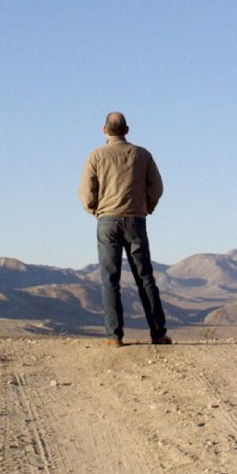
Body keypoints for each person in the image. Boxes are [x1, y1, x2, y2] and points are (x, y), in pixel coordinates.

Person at [78, 111, 171, 346]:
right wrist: (146, 207)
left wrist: (96, 210)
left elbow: (87, 192)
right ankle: (158, 333)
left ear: (104, 130)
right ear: (126, 130)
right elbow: (157, 187)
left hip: (107, 221)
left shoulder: (96, 156)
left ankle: (114, 336)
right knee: (144, 277)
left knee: (110, 279)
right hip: (136, 220)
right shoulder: (142, 155)